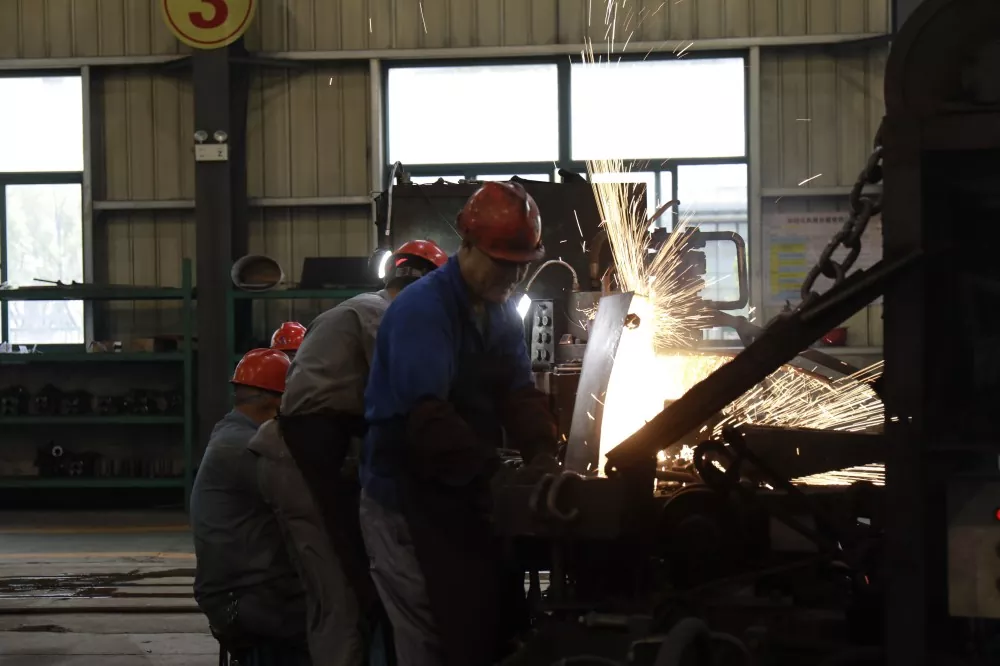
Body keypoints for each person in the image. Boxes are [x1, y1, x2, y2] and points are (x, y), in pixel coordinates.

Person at [360, 182, 561, 666]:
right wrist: (496, 476)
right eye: (503, 263)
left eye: (521, 265)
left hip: (459, 491)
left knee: (484, 627)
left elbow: (518, 391)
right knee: (430, 636)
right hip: (405, 496)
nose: (513, 276)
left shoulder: (499, 313)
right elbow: (427, 418)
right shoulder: (423, 310)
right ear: (467, 246)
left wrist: (543, 453)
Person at [248, 239, 448, 666]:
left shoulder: (363, 307)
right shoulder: (384, 316)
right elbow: (407, 394)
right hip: (300, 455)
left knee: (344, 588)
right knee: (339, 596)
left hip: (308, 449)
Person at [189, 349, 309, 665]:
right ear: (276, 403)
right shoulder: (247, 447)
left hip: (235, 590)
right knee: (343, 617)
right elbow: (305, 501)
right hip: (243, 598)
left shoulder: (232, 431)